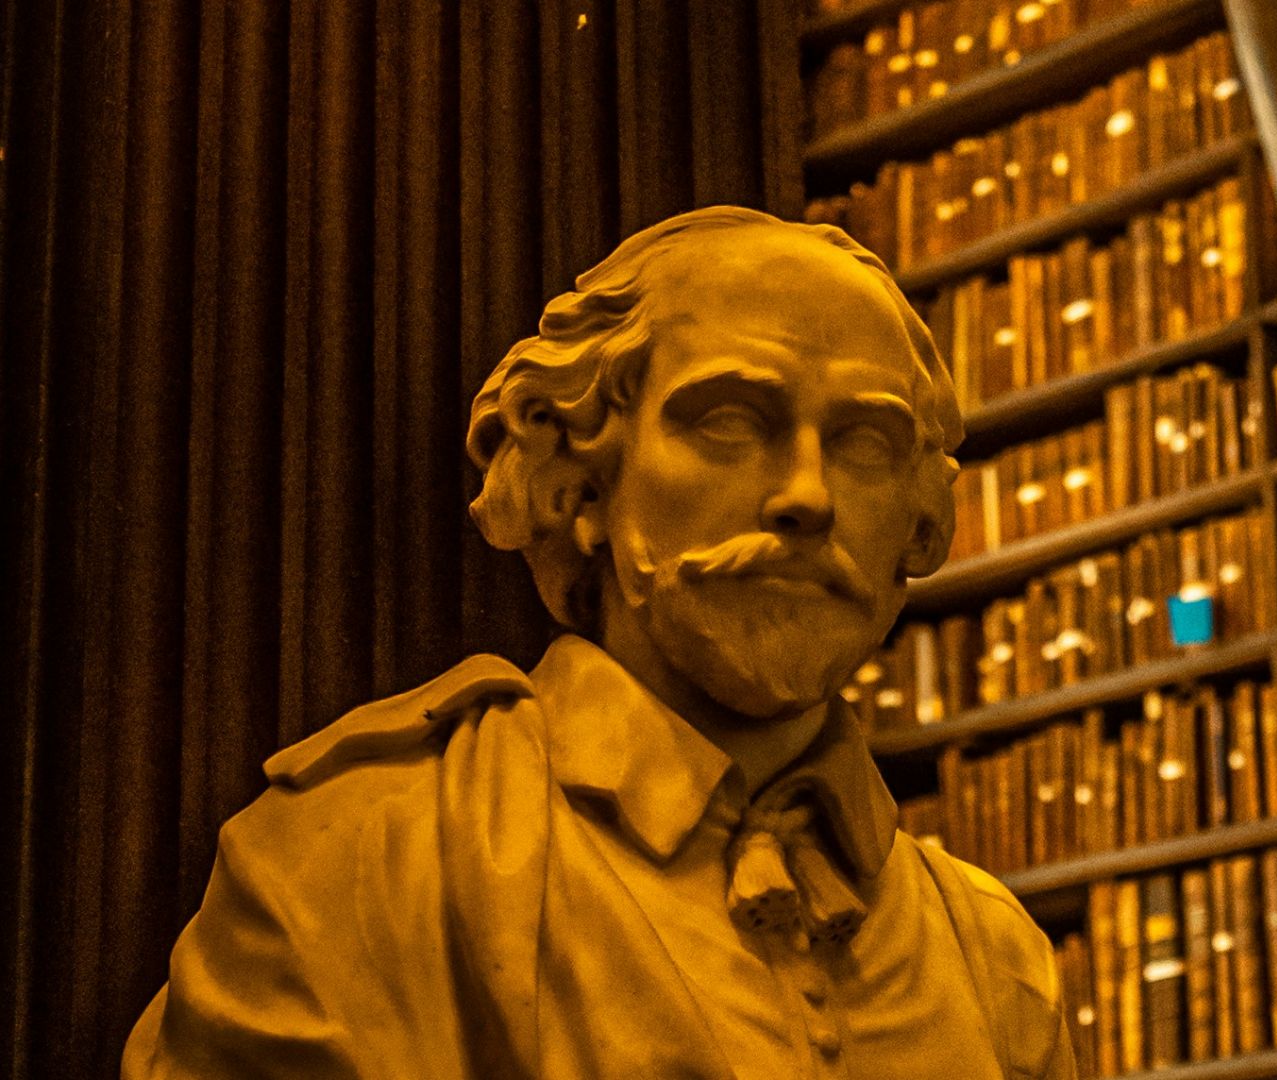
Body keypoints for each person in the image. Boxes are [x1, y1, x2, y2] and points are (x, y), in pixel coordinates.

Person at [123, 207, 1077, 1079]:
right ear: (581, 477)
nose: (807, 495)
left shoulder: (996, 960)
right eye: (731, 422)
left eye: (865, 441)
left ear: (919, 518)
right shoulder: (357, 862)